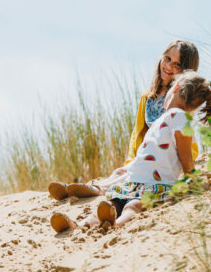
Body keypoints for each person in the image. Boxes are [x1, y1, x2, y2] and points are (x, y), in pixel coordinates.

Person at [50, 70, 211, 232]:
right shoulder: (164, 119)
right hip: (133, 183)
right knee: (112, 205)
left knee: (133, 205)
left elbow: (185, 156)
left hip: (156, 186)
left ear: (175, 88)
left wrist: (192, 179)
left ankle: (114, 224)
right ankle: (80, 225)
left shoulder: (181, 118)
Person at [48, 40, 200, 200]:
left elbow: (185, 138)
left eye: (177, 64)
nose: (168, 66)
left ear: (185, 71)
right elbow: (139, 132)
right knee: (121, 171)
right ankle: (74, 191)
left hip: (167, 160)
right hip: (148, 155)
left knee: (129, 172)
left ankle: (98, 190)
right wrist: (132, 159)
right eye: (167, 59)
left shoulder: (180, 101)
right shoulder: (147, 97)